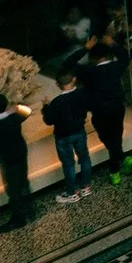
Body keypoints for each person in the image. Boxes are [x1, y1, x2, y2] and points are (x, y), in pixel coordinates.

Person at [85, 36, 132, 186]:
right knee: (116, 137)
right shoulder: (116, 67)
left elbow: (68, 64)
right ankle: (121, 159)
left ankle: (116, 167)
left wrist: (84, 48)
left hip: (99, 111)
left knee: (108, 139)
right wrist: (113, 43)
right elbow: (125, 57)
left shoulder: (90, 72)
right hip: (117, 107)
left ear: (94, 58)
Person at [43, 69, 93, 202]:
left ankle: (72, 192)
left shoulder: (56, 102)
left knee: (69, 164)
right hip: (79, 131)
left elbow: (49, 120)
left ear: (57, 85)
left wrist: (45, 107)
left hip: (63, 136)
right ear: (74, 79)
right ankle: (86, 187)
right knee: (85, 159)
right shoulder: (82, 94)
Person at [0, 95, 30, 229]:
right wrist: (11, 110)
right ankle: (29, 210)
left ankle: (18, 219)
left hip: (9, 162)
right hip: (21, 155)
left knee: (13, 191)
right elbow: (27, 111)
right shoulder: (14, 118)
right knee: (23, 183)